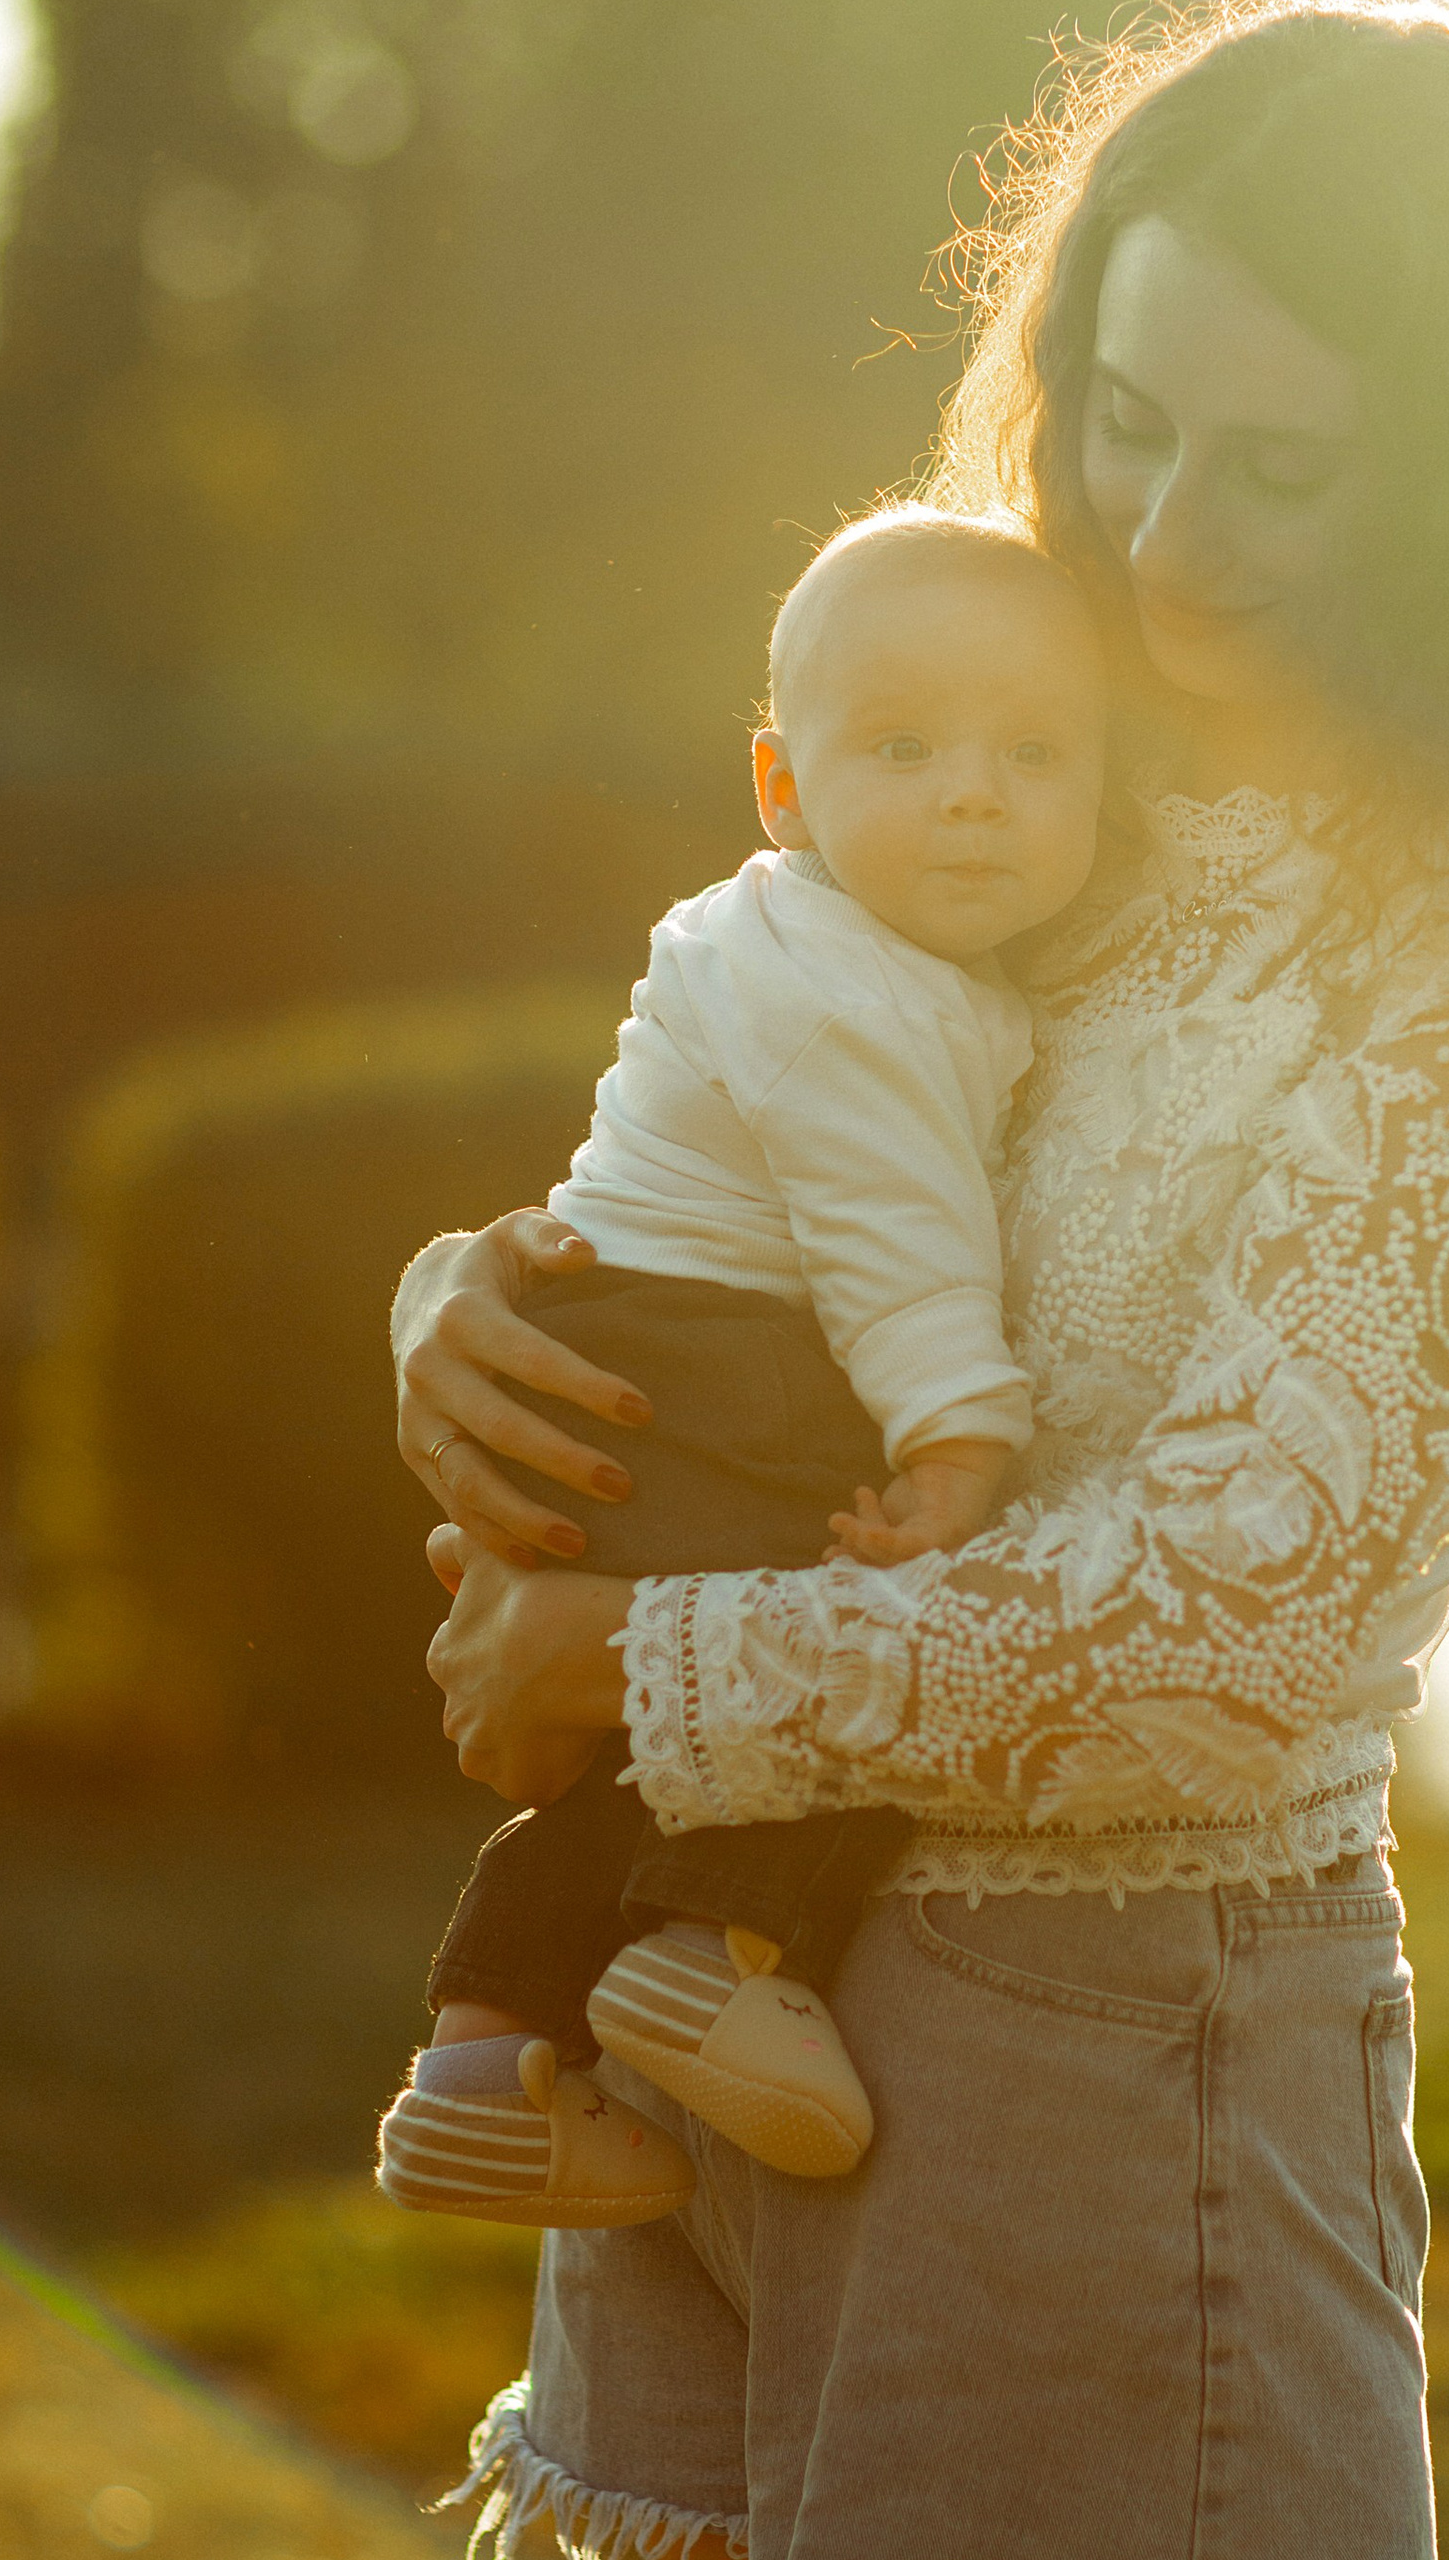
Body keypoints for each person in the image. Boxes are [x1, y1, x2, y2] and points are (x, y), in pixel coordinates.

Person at [391, 4, 1449, 2553]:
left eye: (1279, 464)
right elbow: (755, 1118)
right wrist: (480, 1302)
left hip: (1097, 2079)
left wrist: (631, 1663)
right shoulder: (1038, 779)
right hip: (693, 2021)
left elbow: (1243, 1614)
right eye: (1124, 414)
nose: (1166, 527)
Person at [376, 508, 1106, 2226]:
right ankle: (720, 1948)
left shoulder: (787, 934)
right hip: (709, 1366)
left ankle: (485, 2060)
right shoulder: (861, 993)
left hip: (632, 1342)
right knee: (852, 1640)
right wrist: (957, 1447)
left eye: (1035, 754)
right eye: (906, 751)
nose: (976, 794)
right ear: (783, 787)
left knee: (648, 1736)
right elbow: (898, 1240)